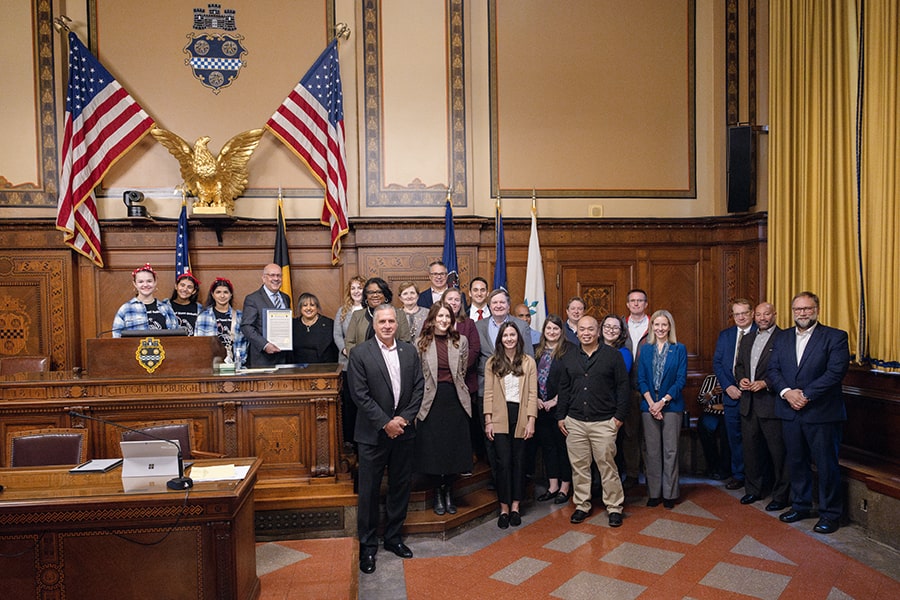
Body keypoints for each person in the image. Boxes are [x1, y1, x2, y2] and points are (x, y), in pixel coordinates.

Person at [349, 304, 424, 574]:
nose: (388, 325)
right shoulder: (360, 353)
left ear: (397, 323)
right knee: (369, 492)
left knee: (399, 488)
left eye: (392, 321)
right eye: (382, 321)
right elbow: (359, 395)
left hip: (403, 433)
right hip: (372, 435)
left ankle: (393, 538)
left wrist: (401, 420)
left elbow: (418, 388)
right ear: (375, 324)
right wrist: (385, 423)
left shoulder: (409, 351)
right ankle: (367, 547)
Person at [768, 292, 849, 534]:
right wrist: (786, 392)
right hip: (789, 411)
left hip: (822, 413)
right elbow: (773, 370)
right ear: (792, 312)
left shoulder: (835, 337)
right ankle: (801, 505)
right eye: (798, 309)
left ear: (817, 309)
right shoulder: (781, 338)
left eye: (807, 308)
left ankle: (830, 514)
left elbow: (835, 372)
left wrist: (805, 394)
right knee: (796, 462)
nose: (802, 313)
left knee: (826, 465)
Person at [557, 315, 630, 527]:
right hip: (575, 422)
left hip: (604, 422)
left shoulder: (613, 356)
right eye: (582, 329)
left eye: (590, 329)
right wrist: (561, 417)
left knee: (607, 466)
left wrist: (618, 418)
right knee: (579, 467)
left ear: (598, 331)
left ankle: (615, 507)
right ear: (576, 332)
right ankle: (582, 505)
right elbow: (563, 388)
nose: (586, 333)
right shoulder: (568, 356)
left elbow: (623, 388)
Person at [415, 302, 472, 515]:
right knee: (434, 450)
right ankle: (438, 493)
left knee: (452, 449)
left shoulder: (461, 341)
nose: (444, 320)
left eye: (447, 316)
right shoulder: (421, 342)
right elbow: (418, 375)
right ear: (432, 318)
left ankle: (449, 491)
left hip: (454, 399)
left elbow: (462, 372)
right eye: (440, 316)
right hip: (431, 401)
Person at [734, 301, 788, 511]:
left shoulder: (784, 338)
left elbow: (787, 369)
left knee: (778, 454)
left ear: (775, 314)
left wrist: (766, 383)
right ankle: (753, 490)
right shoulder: (747, 339)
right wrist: (741, 380)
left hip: (772, 404)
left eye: (767, 314)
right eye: (758, 315)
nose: (762, 318)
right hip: (748, 405)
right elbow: (739, 367)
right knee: (751, 451)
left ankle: (780, 495)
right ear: (753, 316)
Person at [483, 322, 538, 529]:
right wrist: (488, 420)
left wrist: (531, 420)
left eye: (512, 335)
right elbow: (488, 393)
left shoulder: (528, 362)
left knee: (519, 462)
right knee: (503, 463)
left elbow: (533, 394)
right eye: (505, 335)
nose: (509, 338)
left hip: (521, 415)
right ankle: (504, 508)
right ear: (500, 339)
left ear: (518, 338)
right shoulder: (492, 362)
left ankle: (515, 506)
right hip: (499, 416)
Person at [637, 310, 688, 509]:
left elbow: (681, 380)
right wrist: (651, 403)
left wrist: (663, 402)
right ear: (652, 327)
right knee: (652, 452)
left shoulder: (679, 348)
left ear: (670, 327)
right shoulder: (645, 349)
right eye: (656, 325)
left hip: (672, 406)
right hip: (648, 405)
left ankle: (669, 494)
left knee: (670, 451)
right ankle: (654, 493)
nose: (660, 328)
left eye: (664, 325)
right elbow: (641, 379)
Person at [712, 299, 757, 490]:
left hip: (756, 397)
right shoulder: (726, 335)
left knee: (755, 439)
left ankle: (756, 477)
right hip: (731, 396)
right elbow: (718, 363)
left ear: (752, 313)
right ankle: (739, 475)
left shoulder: (761, 333)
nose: (740, 317)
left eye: (744, 313)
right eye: (736, 314)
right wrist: (728, 386)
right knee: (735, 438)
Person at [533, 314, 572, 505]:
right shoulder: (536, 351)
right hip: (540, 408)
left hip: (561, 408)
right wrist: (537, 399)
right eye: (548, 328)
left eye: (556, 329)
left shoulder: (569, 351)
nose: (552, 332)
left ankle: (565, 487)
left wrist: (556, 400)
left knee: (562, 448)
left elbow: (572, 380)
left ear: (561, 331)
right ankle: (553, 486)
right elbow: (529, 377)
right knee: (548, 448)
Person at [441, 288, 482, 463]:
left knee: (465, 423)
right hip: (443, 383)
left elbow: (474, 349)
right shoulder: (435, 322)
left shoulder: (469, 323)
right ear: (443, 301)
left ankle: (467, 456)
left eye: (457, 299)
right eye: (450, 299)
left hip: (465, 381)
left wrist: (458, 369)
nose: (454, 302)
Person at [621, 288, 650, 488]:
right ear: (628, 304)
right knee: (630, 435)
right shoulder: (620, 326)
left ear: (646, 304)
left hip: (651, 392)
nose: (636, 304)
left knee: (650, 436)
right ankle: (631, 474)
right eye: (633, 301)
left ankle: (651, 476)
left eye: (640, 301)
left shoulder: (655, 324)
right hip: (627, 390)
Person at [240, 263, 292, 367]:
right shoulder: (253, 299)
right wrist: (265, 345)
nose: (276, 278)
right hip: (262, 359)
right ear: (264, 278)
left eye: (279, 275)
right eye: (272, 275)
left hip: (284, 357)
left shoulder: (286, 298)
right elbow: (246, 326)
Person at [334, 275, 365, 449]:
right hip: (347, 363)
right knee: (350, 402)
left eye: (359, 287)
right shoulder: (343, 311)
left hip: (367, 364)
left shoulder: (370, 310)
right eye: (353, 288)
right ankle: (350, 440)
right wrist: (345, 349)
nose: (356, 291)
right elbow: (338, 335)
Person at [345, 277, 412, 355]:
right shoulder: (357, 315)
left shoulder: (399, 314)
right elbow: (350, 342)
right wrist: (357, 361)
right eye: (370, 292)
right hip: (363, 362)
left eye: (379, 292)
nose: (375, 295)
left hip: (393, 361)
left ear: (385, 295)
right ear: (366, 296)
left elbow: (405, 341)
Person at [112, 263, 179, 337]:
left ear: (155, 282)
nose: (145, 285)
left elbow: (176, 337)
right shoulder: (125, 309)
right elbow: (116, 337)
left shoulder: (166, 308)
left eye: (149, 281)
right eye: (141, 282)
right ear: (135, 284)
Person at [195, 277, 247, 368]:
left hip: (236, 366)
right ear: (212, 294)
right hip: (210, 366)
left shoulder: (239, 316)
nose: (222, 296)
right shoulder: (204, 316)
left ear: (231, 294)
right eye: (218, 292)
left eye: (226, 292)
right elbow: (198, 344)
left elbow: (245, 344)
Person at [696, 374, 731, 480]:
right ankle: (713, 467)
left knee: (727, 431)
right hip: (711, 411)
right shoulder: (710, 378)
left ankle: (725, 469)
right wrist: (712, 393)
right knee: (705, 427)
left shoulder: (734, 377)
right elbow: (700, 400)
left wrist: (724, 406)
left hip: (729, 413)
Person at [292, 292, 339, 364]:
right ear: (300, 308)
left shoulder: (328, 324)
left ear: (317, 308)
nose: (308, 308)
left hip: (324, 368)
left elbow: (334, 350)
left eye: (312, 305)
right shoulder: (293, 324)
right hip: (298, 369)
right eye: (305, 305)